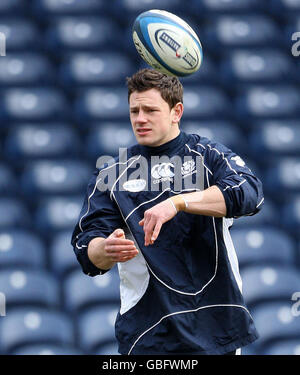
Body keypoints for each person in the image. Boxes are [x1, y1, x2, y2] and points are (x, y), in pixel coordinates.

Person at [71, 68, 264, 355]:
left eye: (150, 110)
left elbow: (249, 193)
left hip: (216, 324)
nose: (140, 119)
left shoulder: (207, 155)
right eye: (134, 111)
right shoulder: (111, 174)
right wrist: (106, 248)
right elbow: (87, 249)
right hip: (149, 331)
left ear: (176, 112)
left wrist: (178, 202)